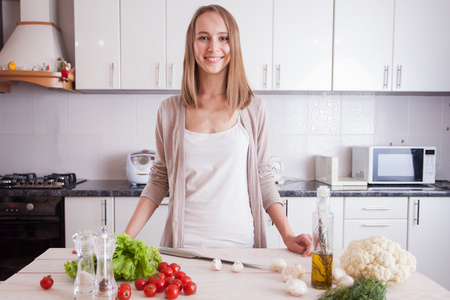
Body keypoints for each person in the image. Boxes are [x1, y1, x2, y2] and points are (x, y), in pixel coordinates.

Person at [124, 4, 312, 256]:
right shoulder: (169, 110)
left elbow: (264, 178)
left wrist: (287, 235)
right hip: (182, 251)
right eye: (203, 38)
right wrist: (123, 239)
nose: (213, 47)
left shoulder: (254, 108)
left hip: (242, 249)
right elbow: (159, 180)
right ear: (192, 45)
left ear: (233, 45)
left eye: (223, 38)